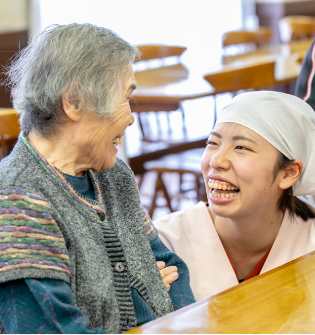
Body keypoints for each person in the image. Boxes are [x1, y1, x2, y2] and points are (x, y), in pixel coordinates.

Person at [0, 24, 195, 335]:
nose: (132, 117)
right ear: (75, 101)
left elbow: (171, 267)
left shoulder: (114, 177)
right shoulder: (17, 199)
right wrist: (141, 288)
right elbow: (49, 329)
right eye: (125, 97)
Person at [155, 91, 315, 302]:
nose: (216, 161)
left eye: (241, 147)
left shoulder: (309, 241)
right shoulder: (164, 244)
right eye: (213, 143)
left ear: (288, 173)